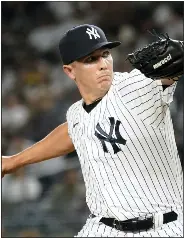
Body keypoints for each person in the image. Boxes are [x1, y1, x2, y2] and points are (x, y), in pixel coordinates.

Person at [2, 24, 183, 237]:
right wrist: (13, 161)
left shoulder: (136, 87)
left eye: (105, 54)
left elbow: (171, 68)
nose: (103, 64)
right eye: (91, 59)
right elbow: (72, 133)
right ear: (69, 71)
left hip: (162, 226)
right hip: (103, 228)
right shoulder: (77, 114)